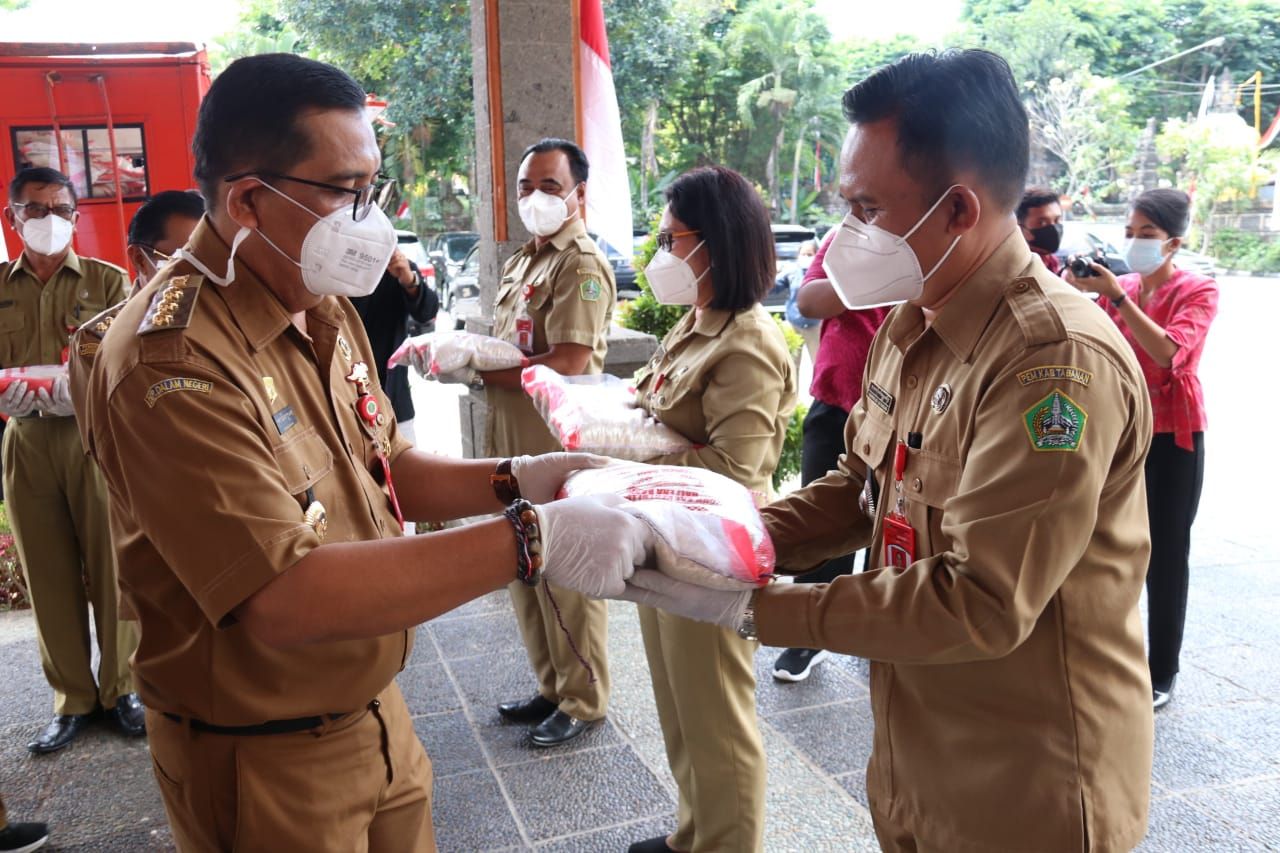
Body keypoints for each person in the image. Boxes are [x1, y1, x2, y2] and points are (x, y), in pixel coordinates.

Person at [69, 53, 648, 852]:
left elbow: (387, 469)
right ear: (248, 200)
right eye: (348, 192)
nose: (368, 219)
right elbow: (285, 595)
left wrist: (523, 478)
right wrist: (535, 537)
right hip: (261, 759)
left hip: (376, 715)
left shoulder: (317, 301)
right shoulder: (169, 361)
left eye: (370, 190)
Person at [612, 49, 1155, 852]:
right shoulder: (913, 321)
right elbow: (858, 487)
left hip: (1027, 781)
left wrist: (747, 606)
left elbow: (980, 599)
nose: (844, 237)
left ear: (959, 210)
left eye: (866, 208)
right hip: (917, 746)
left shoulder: (1051, 364)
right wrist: (716, 536)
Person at [627, 166, 795, 853]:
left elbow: (736, 470)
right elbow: (654, 410)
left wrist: (627, 463)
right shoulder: (696, 325)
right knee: (680, 703)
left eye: (672, 239)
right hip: (665, 539)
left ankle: (726, 842)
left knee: (717, 715)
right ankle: (692, 831)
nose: (658, 255)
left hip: (709, 552)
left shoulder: (746, 341)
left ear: (716, 243)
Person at [0, 166, 143, 754]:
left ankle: (121, 690)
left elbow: (127, 362)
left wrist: (76, 388)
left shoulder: (110, 283)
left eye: (62, 209)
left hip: (93, 438)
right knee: (47, 573)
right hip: (26, 442)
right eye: (37, 210)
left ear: (76, 217)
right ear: (13, 218)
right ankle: (73, 701)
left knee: (112, 566)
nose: (51, 221)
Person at [480, 138, 617, 748]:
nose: (535, 198)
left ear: (580, 195)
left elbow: (567, 358)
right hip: (512, 439)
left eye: (551, 186)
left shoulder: (579, 264)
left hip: (553, 443)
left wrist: (478, 368)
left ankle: (583, 698)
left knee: (563, 570)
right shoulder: (525, 260)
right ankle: (551, 686)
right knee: (524, 566)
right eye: (526, 187)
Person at [1065, 187, 1218, 710]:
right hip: (1121, 432)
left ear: (1174, 242)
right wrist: (1075, 290)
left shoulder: (1198, 290)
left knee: (1167, 552)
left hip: (1175, 435)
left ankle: (1163, 669)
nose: (1134, 244)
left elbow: (1169, 351)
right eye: (1129, 233)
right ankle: (1112, 653)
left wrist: (1119, 298)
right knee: (1109, 544)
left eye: (1146, 235)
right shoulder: (1121, 285)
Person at [770, 229, 890, 682]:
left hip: (905, 408)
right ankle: (809, 633)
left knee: (896, 517)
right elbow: (810, 300)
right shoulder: (846, 238)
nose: (862, 214)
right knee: (824, 505)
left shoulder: (933, 236)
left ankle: (882, 622)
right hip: (838, 398)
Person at [348, 248, 439, 454]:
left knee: (405, 473)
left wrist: (408, 279)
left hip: (393, 397)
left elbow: (427, 312)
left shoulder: (392, 266)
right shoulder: (332, 271)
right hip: (345, 397)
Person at [126, 190, 205, 296]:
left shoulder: (223, 311)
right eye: (187, 263)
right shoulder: (127, 313)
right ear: (140, 259)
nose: (205, 276)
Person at [781, 239, 819, 359]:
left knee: (817, 361)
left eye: (809, 254)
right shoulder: (792, 271)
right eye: (803, 254)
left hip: (814, 324)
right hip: (794, 323)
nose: (806, 257)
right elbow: (774, 286)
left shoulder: (821, 271)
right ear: (798, 256)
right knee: (792, 362)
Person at [1017, 186, 1064, 274]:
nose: (1054, 229)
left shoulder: (1052, 261)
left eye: (1057, 220)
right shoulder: (1018, 267)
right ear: (1021, 228)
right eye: (1042, 223)